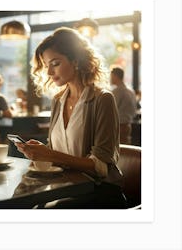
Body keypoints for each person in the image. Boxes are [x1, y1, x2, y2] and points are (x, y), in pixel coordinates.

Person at [15, 27, 126, 208]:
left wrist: (50, 154)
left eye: (55, 63)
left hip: (99, 193)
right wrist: (43, 151)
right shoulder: (58, 100)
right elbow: (60, 152)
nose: (49, 72)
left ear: (75, 60)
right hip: (65, 188)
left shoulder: (102, 99)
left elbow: (101, 168)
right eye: (46, 65)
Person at [110, 67, 137, 144]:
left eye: (111, 76)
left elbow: (111, 110)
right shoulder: (131, 91)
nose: (110, 78)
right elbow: (134, 110)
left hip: (119, 126)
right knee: (126, 149)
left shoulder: (116, 92)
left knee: (120, 150)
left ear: (115, 76)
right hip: (128, 126)